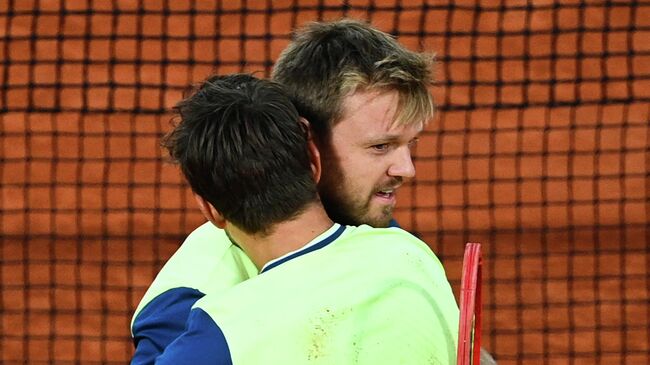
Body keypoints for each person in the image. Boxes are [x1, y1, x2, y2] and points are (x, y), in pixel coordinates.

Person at [131, 19, 496, 364]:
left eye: (409, 144)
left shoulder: (381, 237)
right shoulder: (193, 293)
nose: (406, 169)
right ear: (310, 147)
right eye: (380, 147)